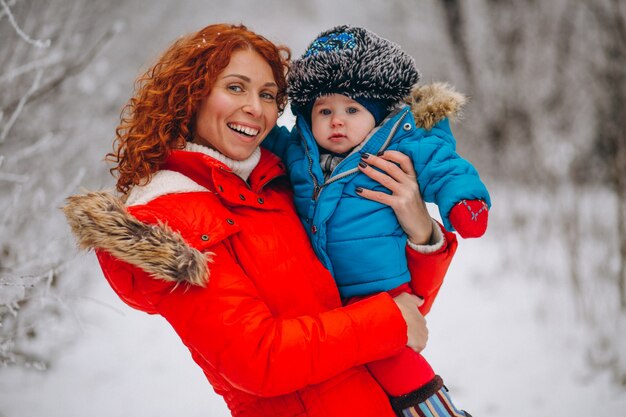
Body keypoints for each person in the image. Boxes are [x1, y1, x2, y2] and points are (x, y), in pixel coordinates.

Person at [62, 23, 458, 417]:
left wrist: (420, 231)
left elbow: (398, 306)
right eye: (235, 87)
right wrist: (388, 323)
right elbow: (259, 359)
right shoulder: (167, 218)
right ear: (190, 95)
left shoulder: (277, 186)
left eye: (268, 95)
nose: (256, 107)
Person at [264, 25, 491, 416]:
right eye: (325, 111)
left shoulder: (400, 144)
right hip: (328, 299)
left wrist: (464, 204)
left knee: (397, 363)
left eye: (352, 110)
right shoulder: (299, 151)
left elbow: (443, 165)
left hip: (382, 290)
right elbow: (262, 136)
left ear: (376, 115)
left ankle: (438, 409)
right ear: (306, 115)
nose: (338, 121)